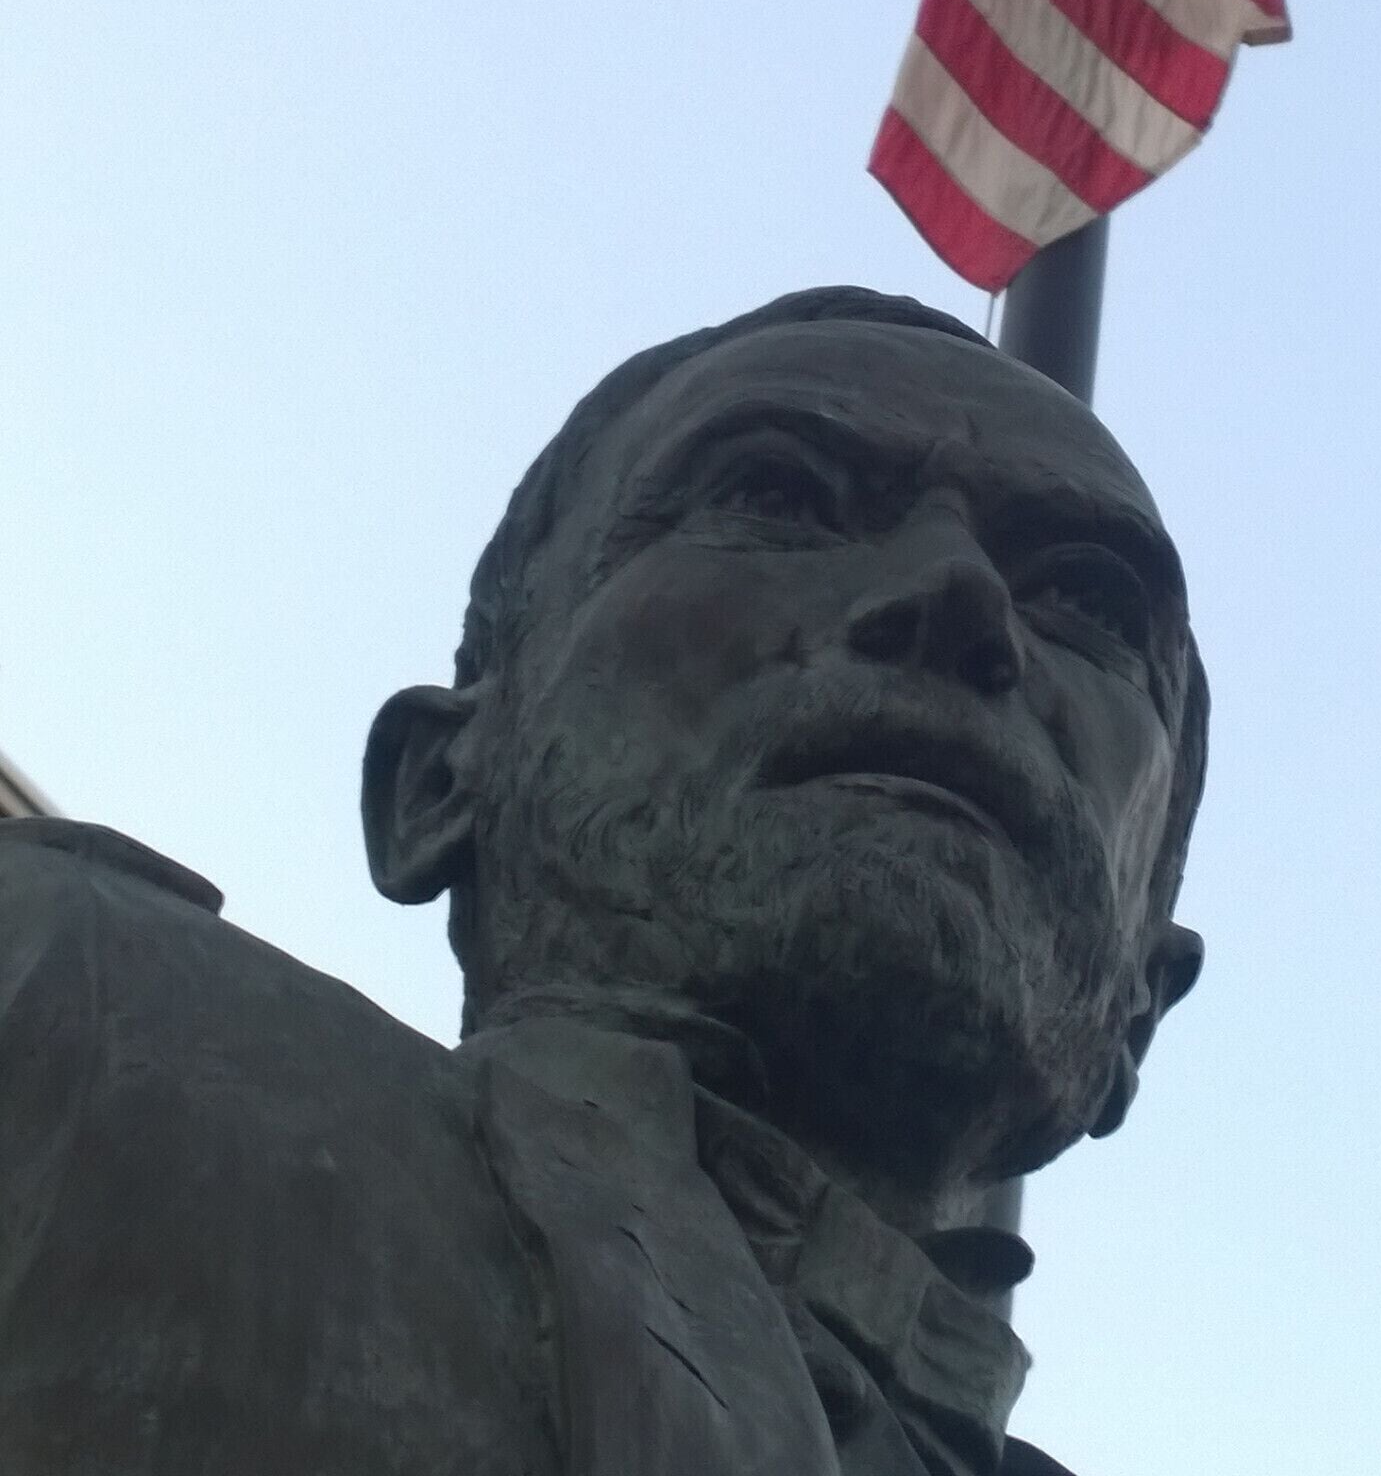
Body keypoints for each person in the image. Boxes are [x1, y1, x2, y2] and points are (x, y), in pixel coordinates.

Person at [0, 287, 1209, 1475]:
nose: (960, 595)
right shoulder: (60, 996)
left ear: (1136, 1013)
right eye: (775, 493)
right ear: (440, 784)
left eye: (1088, 601)